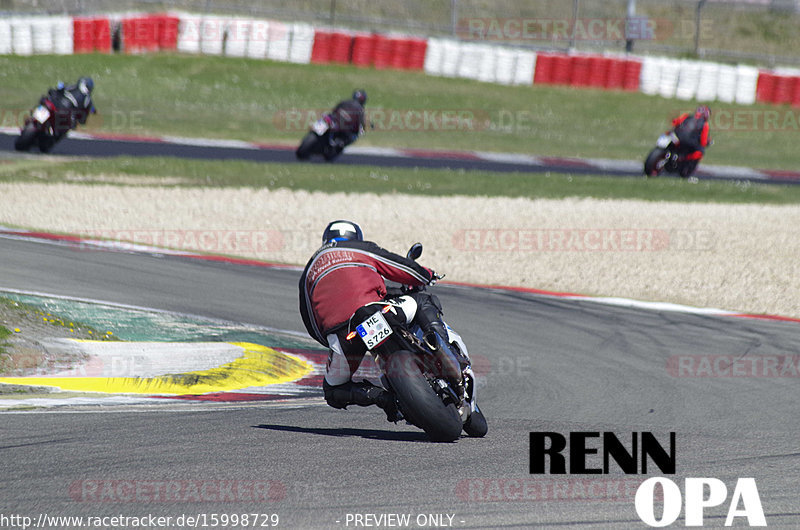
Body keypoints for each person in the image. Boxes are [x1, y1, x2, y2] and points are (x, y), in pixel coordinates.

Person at [298, 220, 446, 422]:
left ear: (326, 240)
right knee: (424, 300)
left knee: (333, 391)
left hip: (344, 334)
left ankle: (381, 397)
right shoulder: (361, 249)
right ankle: (440, 347)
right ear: (356, 237)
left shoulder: (308, 271)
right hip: (375, 312)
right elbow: (400, 267)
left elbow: (310, 322)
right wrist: (425, 275)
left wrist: (332, 340)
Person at [670, 105, 711, 177]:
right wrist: (707, 142)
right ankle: (687, 167)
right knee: (700, 152)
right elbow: (703, 142)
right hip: (689, 144)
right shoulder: (705, 125)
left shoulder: (687, 116)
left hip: (677, 138)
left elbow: (674, 122)